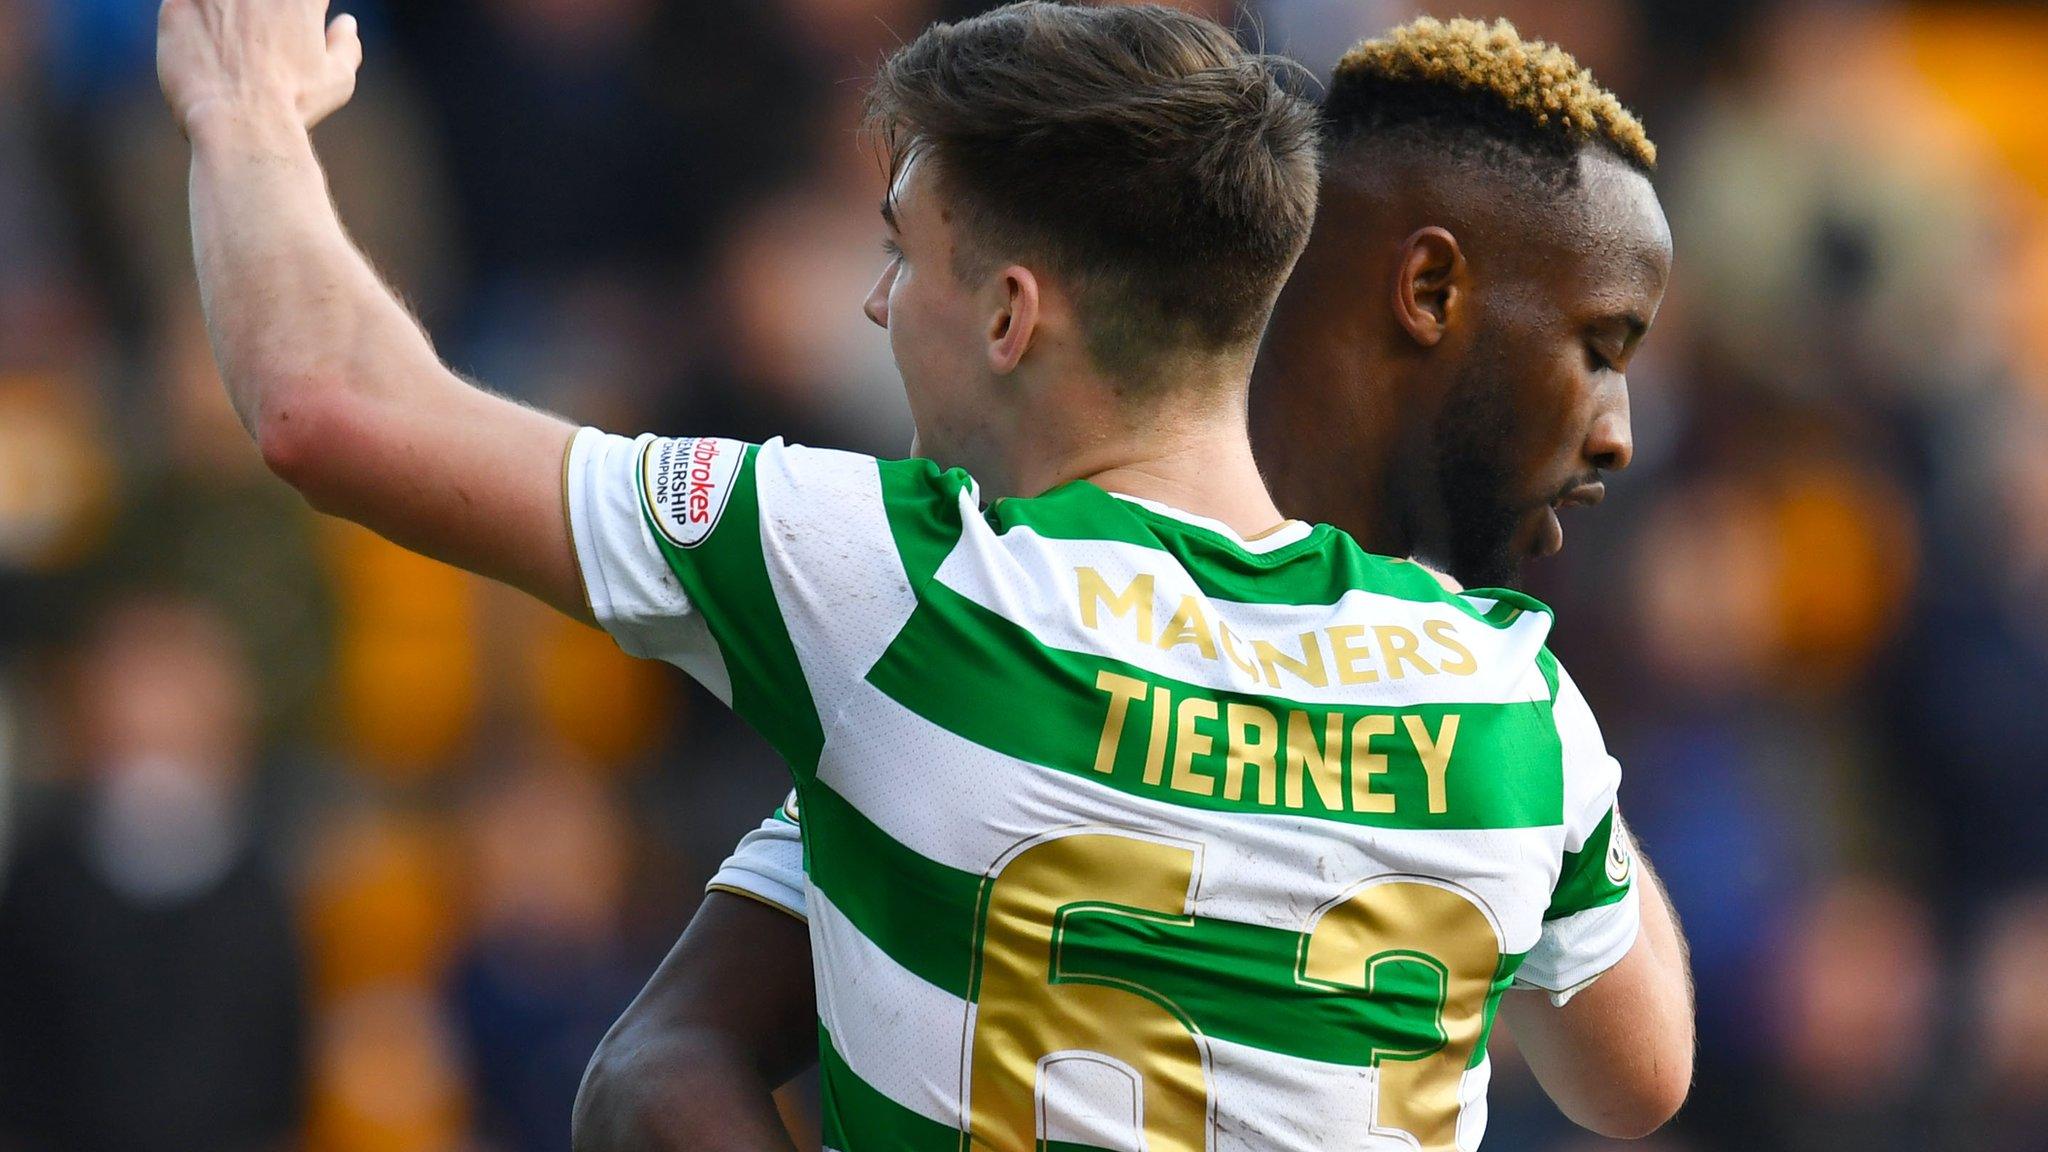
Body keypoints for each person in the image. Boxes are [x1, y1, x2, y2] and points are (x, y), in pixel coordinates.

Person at [158, 5, 1691, 1151]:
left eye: (904, 253)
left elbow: (324, 406)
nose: (882, 304)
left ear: (1013, 315)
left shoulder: (893, 581)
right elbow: (1639, 1077)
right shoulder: (1510, 701)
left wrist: (242, 112)